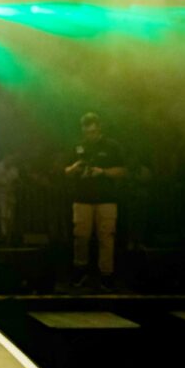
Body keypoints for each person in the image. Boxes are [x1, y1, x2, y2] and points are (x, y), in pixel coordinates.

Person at [64, 112, 127, 291]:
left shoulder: (112, 146)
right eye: (86, 132)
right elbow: (66, 171)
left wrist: (103, 172)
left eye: (92, 131)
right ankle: (80, 270)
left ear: (99, 128)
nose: (89, 135)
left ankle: (106, 274)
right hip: (82, 198)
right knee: (80, 236)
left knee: (106, 237)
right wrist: (74, 168)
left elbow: (123, 171)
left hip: (106, 199)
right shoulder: (77, 146)